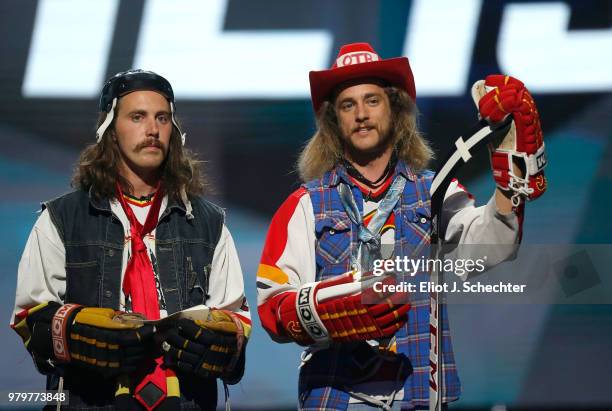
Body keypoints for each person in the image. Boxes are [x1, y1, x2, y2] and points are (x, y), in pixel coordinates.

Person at [256, 43, 546, 410]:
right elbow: (271, 307)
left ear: (395, 109)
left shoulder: (436, 191)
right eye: (348, 105)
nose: (361, 114)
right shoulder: (304, 205)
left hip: (419, 394)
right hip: (335, 397)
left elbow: (494, 245)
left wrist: (509, 176)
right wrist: (332, 309)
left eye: (372, 100)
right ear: (333, 121)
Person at [11, 70, 250, 410]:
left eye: (162, 118)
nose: (152, 130)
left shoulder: (209, 224)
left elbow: (236, 323)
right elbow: (28, 317)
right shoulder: (62, 219)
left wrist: (222, 345)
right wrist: (79, 335)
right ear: (110, 129)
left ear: (174, 131)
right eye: (137, 117)